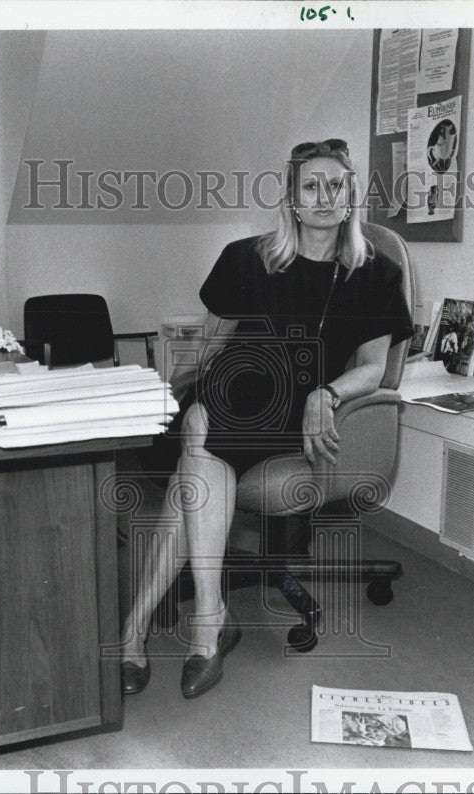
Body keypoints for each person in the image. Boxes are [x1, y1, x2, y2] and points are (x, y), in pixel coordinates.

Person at [119, 138, 413, 698]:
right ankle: (206, 623)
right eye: (311, 186)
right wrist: (160, 396)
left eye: (336, 185)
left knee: (195, 457)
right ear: (292, 200)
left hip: (298, 407)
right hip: (232, 387)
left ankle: (140, 630)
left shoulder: (377, 274)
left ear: (351, 196)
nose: (324, 196)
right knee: (201, 419)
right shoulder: (245, 257)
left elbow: (375, 369)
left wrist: (326, 392)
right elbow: (209, 344)